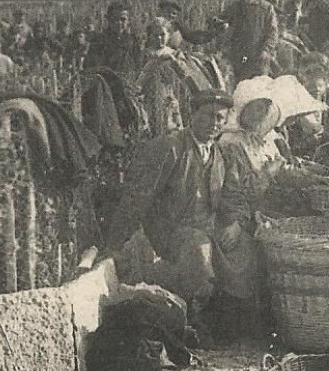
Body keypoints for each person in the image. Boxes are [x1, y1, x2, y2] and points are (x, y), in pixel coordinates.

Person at [106, 90, 255, 342]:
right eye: (207, 116)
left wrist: (236, 224)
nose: (213, 123)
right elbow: (138, 196)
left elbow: (232, 195)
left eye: (220, 118)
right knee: (199, 250)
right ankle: (187, 319)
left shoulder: (219, 155)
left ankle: (225, 319)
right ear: (192, 114)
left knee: (245, 248)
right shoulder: (170, 147)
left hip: (206, 228)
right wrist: (115, 243)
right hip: (168, 232)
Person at [222, 0, 280, 83]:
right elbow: (222, 20)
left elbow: (273, 32)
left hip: (259, 56)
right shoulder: (235, 7)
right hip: (241, 56)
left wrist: (266, 50)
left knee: (260, 86)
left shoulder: (266, 7)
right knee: (241, 86)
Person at [84, 1, 143, 81]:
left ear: (128, 21)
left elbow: (138, 67)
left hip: (127, 84)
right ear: (108, 19)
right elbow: (89, 67)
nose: (119, 23)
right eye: (114, 19)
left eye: (123, 19)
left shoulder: (133, 41)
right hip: (105, 84)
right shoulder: (99, 40)